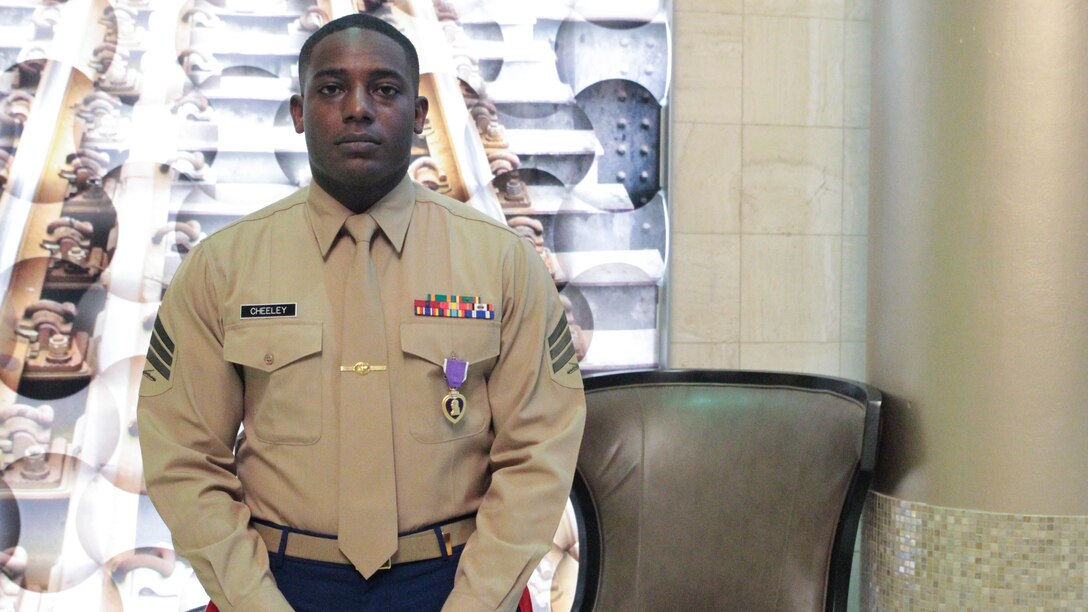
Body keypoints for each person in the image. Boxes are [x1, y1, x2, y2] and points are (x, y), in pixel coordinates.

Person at [137, 13, 585, 612]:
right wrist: (253, 600)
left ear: (420, 115)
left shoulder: (501, 263)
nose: (357, 109)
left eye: (385, 89)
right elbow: (185, 457)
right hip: (276, 584)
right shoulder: (223, 268)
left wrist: (477, 602)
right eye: (330, 89)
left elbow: (539, 452)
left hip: (457, 582)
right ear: (298, 113)